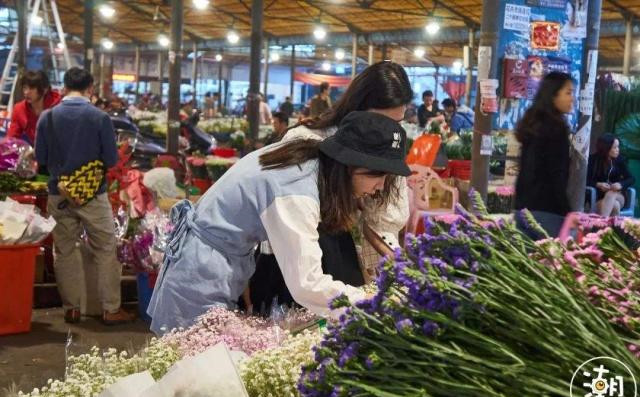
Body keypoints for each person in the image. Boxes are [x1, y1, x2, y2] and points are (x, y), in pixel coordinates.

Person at [147, 111, 411, 334]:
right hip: (201, 272)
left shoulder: (308, 159)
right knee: (190, 373)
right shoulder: (296, 189)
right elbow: (307, 284)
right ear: (348, 166)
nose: (380, 187)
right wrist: (370, 301)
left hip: (209, 260)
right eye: (379, 175)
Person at [34, 67, 134, 325]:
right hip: (93, 196)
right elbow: (111, 160)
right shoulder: (99, 118)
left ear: (64, 87)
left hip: (60, 194)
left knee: (64, 250)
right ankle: (110, 309)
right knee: (104, 248)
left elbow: (41, 159)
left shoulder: (48, 117)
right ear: (90, 88)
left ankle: (72, 309)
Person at [515, 72, 575, 236]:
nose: (572, 98)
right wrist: (567, 211)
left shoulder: (532, 123)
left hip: (523, 208)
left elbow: (526, 170)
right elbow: (556, 174)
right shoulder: (556, 128)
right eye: (568, 92)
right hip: (547, 212)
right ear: (553, 95)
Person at [6, 70, 61, 145]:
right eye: (25, 88)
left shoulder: (60, 105)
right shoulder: (19, 109)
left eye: (32, 88)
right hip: (37, 152)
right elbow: (11, 139)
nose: (26, 92)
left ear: (45, 90)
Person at [587, 134, 635, 216]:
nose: (618, 150)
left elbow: (631, 178)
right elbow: (585, 181)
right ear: (606, 148)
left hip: (618, 195)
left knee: (611, 193)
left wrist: (620, 184)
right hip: (599, 198)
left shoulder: (620, 160)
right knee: (615, 206)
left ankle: (601, 224)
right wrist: (598, 184)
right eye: (615, 147)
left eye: (618, 147)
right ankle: (612, 228)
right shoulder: (593, 160)